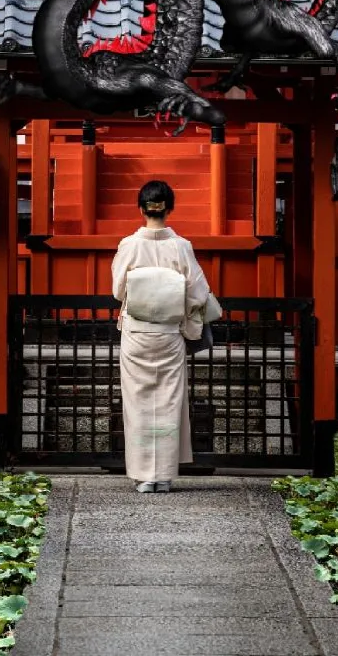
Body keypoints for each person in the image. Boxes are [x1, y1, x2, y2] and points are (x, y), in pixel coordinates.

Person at [111, 180, 212, 493]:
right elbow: (198, 292)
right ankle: (163, 476)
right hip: (168, 333)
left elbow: (117, 290)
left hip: (138, 332)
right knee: (168, 400)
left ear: (142, 209)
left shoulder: (129, 244)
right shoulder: (181, 246)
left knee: (138, 401)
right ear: (169, 209)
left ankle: (144, 475)